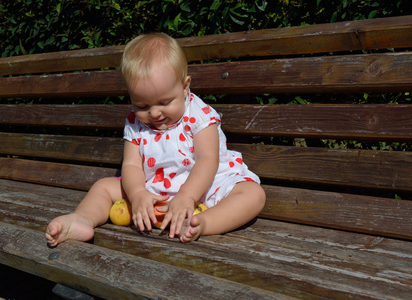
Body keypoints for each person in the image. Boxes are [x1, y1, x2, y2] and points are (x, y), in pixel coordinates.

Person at [46, 32, 266, 245]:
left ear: (185, 86)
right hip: (155, 191)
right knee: (103, 187)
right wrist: (138, 193)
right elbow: (131, 165)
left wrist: (188, 196)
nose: (153, 113)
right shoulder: (135, 122)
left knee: (252, 195)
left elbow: (208, 159)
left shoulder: (199, 114)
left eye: (164, 102)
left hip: (205, 185)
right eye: (142, 105)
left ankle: (202, 223)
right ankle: (83, 219)